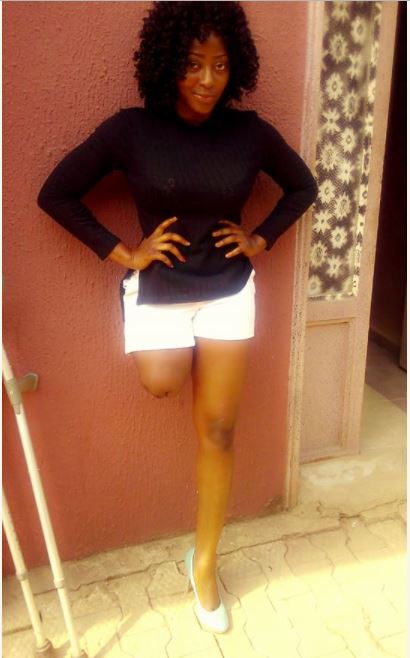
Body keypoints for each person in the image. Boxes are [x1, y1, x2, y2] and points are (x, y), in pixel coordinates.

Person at [37, 1, 318, 634]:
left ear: (236, 67)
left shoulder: (250, 133)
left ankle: (205, 563)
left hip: (228, 289)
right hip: (158, 283)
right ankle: (146, 310)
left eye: (220, 65)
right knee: (162, 381)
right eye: (193, 64)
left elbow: (302, 186)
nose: (207, 80)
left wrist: (261, 238)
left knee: (217, 429)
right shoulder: (132, 130)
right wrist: (124, 253)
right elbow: (56, 192)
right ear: (168, 64)